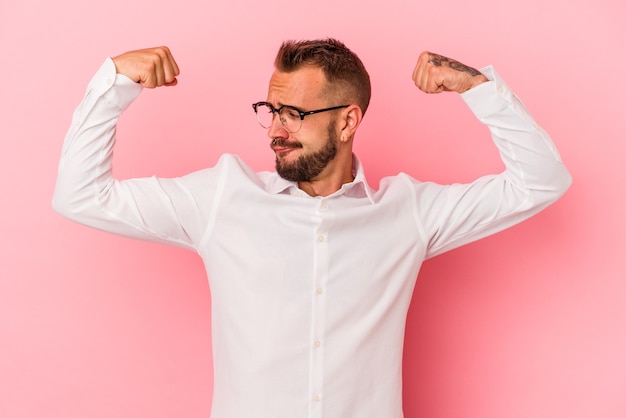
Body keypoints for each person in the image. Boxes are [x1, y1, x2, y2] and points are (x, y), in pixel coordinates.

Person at [53, 38, 571, 418]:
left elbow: (541, 182)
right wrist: (114, 82)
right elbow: (81, 196)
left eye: (295, 114)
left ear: (347, 122)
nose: (277, 130)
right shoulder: (221, 198)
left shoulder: (409, 212)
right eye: (272, 110)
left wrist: (478, 89)